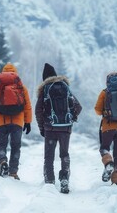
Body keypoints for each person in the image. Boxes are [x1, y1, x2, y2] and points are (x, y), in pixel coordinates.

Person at [35, 63, 82, 194]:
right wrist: (71, 118)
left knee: (49, 156)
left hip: (50, 128)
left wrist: (42, 128)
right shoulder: (65, 87)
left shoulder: (45, 89)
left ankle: (49, 181)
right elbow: (78, 107)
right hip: (65, 129)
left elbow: (38, 111)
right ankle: (64, 178)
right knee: (64, 154)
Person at [0, 63, 33, 180]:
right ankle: (13, 173)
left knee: (1, 145)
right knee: (16, 147)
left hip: (1, 122)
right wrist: (28, 122)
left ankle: (2, 161)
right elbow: (27, 106)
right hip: (17, 122)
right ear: (15, 73)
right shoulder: (21, 87)